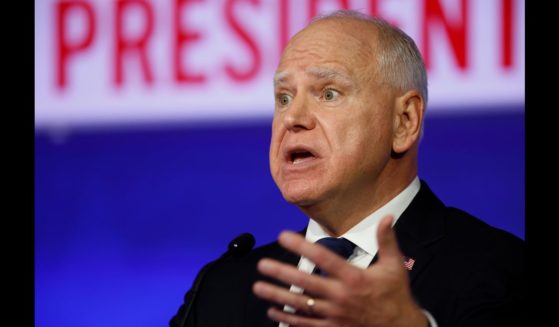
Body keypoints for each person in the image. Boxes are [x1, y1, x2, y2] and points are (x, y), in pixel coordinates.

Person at [170, 10, 524, 327]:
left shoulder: (497, 269)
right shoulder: (224, 287)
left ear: (404, 121)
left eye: (328, 94)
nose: (292, 118)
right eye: (284, 98)